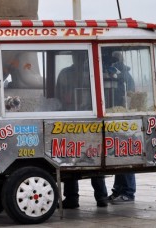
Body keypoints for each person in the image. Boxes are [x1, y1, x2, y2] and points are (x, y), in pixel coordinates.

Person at [56, 51, 108, 208]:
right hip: (71, 120)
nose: (77, 58)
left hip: (87, 121)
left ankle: (100, 196)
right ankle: (75, 197)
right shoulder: (67, 73)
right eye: (75, 55)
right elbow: (58, 94)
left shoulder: (91, 72)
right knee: (73, 160)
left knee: (91, 159)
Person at [105, 50, 136, 204]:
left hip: (123, 117)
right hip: (115, 116)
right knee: (118, 156)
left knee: (126, 155)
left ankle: (129, 192)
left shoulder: (123, 76)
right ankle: (118, 190)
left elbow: (129, 95)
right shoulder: (118, 74)